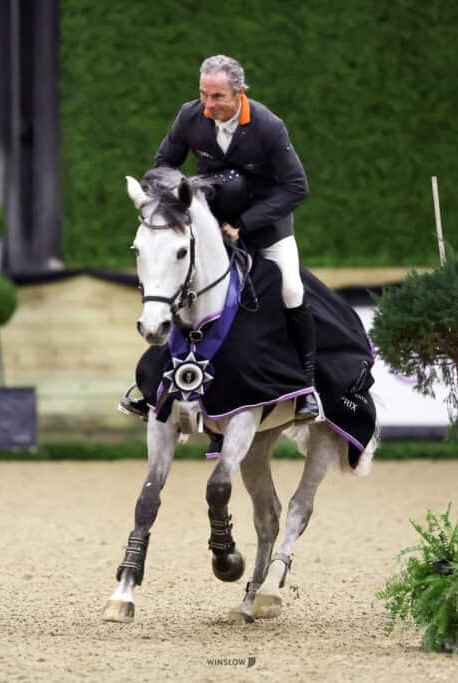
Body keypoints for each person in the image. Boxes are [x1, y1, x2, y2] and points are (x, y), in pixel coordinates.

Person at [122, 54, 320, 423]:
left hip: (265, 223)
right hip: (212, 222)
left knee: (291, 289)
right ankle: (153, 386)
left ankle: (306, 389)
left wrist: (245, 224)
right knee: (179, 289)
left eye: (217, 97)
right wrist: (173, 197)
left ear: (240, 93)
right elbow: (164, 164)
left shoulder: (268, 126)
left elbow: (297, 187)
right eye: (203, 94)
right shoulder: (190, 116)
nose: (207, 106)